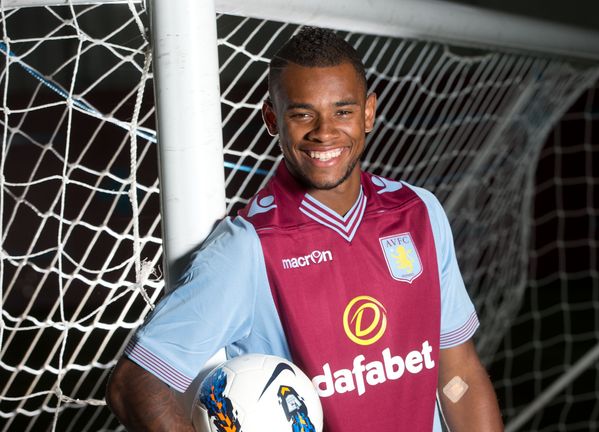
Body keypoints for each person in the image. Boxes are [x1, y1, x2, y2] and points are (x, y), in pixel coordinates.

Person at [106, 27, 503, 431]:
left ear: (368, 113)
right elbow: (136, 384)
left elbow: (457, 376)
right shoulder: (246, 248)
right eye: (302, 114)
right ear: (271, 118)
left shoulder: (419, 213)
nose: (324, 132)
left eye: (342, 111)